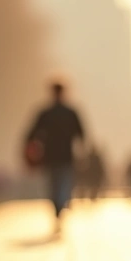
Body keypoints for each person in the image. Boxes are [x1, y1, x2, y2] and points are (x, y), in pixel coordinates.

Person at [24, 81, 85, 231]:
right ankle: (61, 205)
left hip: (50, 155)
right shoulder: (71, 112)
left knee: (53, 185)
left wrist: (32, 147)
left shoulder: (45, 113)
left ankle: (57, 206)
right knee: (64, 184)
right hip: (65, 155)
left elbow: (31, 134)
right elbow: (81, 134)